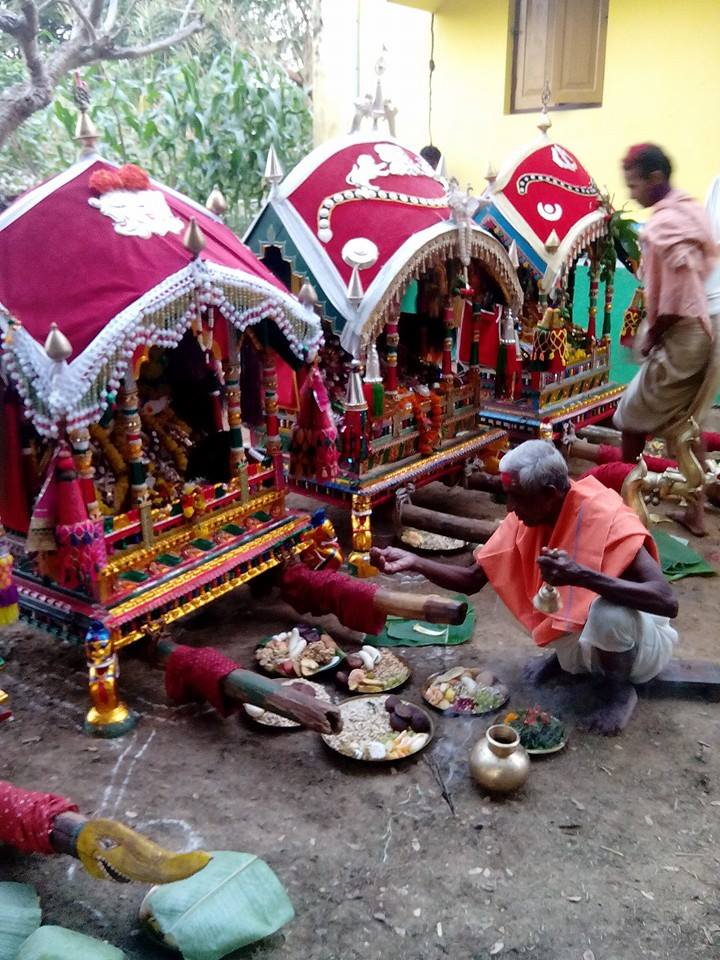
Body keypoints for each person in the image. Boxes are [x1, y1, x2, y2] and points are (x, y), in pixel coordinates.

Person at [371, 440, 678, 736]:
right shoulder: (528, 515)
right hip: (588, 636)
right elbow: (472, 579)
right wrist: (415, 561)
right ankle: (565, 660)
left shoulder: (608, 516)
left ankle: (620, 694)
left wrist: (582, 576)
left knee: (609, 614)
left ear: (550, 493)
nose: (511, 508)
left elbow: (666, 601)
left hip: (640, 648)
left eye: (516, 497)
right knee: (511, 580)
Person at [614, 144, 719, 535]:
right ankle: (694, 511)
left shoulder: (660, 227)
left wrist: (652, 337)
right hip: (712, 322)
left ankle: (624, 503)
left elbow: (677, 298)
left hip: (687, 329)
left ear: (656, 179)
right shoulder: (690, 207)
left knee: (629, 415)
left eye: (635, 184)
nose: (632, 193)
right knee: (688, 423)